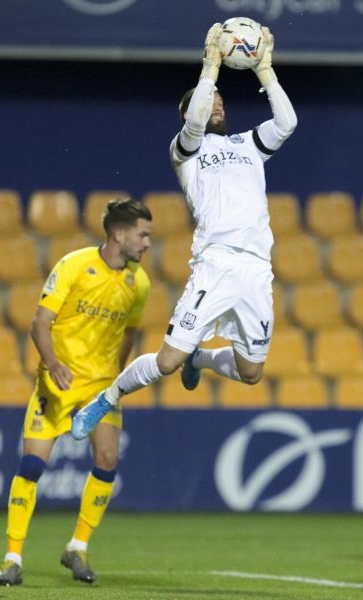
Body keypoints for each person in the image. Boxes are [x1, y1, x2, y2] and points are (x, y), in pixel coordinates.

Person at [71, 22, 297, 439]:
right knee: (166, 361)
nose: (217, 104)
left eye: (220, 100)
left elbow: (286, 123)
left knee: (252, 373)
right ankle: (106, 399)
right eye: (208, 100)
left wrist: (265, 69)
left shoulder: (246, 146)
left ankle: (204, 359)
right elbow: (195, 123)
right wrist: (210, 68)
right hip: (217, 262)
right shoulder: (187, 151)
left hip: (257, 270)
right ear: (188, 112)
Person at [0, 198, 152, 587]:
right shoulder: (73, 265)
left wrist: (117, 375)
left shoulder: (139, 284)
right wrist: (53, 365)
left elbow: (130, 330)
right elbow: (39, 323)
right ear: (118, 234)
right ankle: (12, 557)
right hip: (57, 381)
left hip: (100, 387)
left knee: (108, 459)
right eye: (143, 235)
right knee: (32, 466)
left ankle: (77, 547)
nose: (148, 243)